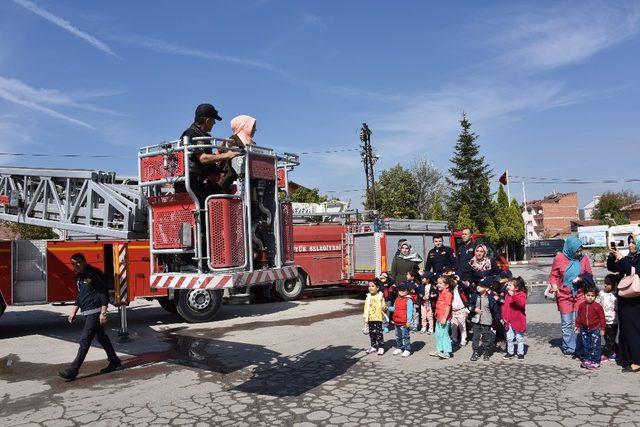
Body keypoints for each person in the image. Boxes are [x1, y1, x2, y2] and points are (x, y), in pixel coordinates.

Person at [58, 253, 121, 381]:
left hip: (95, 311)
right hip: (87, 312)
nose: (75, 266)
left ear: (84, 261)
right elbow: (81, 296)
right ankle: (114, 360)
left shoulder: (94, 273)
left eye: (77, 263)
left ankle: (73, 370)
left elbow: (104, 293)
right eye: (73, 264)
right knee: (101, 337)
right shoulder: (80, 277)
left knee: (85, 340)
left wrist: (103, 312)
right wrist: (73, 311)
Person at [178, 103, 239, 204]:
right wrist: (228, 155)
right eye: (213, 120)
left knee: (223, 198)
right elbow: (203, 158)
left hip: (200, 182)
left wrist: (220, 150)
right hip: (191, 183)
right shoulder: (192, 134)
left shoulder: (203, 136)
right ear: (207, 120)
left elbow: (206, 159)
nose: (214, 123)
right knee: (207, 210)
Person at [549, 236, 594, 357]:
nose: (579, 253)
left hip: (580, 294)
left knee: (580, 321)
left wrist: (581, 278)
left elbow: (589, 274)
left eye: (580, 250)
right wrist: (554, 285)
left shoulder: (583, 258)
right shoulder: (559, 258)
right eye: (577, 250)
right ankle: (569, 347)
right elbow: (553, 275)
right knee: (567, 322)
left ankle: (581, 345)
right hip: (564, 295)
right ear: (570, 248)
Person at [612, 235, 640, 373]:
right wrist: (613, 256)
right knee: (625, 329)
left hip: (635, 301)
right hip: (625, 298)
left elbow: (633, 272)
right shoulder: (631, 257)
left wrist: (622, 259)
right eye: (629, 242)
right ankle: (626, 356)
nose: (630, 245)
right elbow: (613, 268)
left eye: (633, 242)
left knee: (634, 330)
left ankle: (637, 361)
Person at [220, 115, 257, 193]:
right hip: (234, 182)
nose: (255, 130)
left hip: (250, 182)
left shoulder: (252, 143)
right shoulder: (232, 140)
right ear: (244, 126)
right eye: (253, 126)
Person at [468, 277, 501, 361]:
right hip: (476, 320)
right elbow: (468, 303)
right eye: (478, 285)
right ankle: (475, 352)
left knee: (486, 337)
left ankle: (486, 352)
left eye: (481, 286)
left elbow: (495, 310)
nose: (478, 287)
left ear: (486, 288)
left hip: (487, 320)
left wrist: (498, 320)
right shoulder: (475, 295)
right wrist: (473, 309)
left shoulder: (491, 298)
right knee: (475, 337)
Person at [574, 284, 606, 370]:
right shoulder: (581, 306)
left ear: (596, 296)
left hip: (594, 329)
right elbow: (579, 316)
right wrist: (576, 325)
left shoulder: (598, 306)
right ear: (584, 295)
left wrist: (602, 328)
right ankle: (587, 359)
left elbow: (602, 318)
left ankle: (596, 361)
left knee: (596, 346)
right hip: (584, 329)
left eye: (592, 296)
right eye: (588, 295)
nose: (590, 297)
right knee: (586, 345)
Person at [502, 277, 528, 360]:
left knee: (519, 337)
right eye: (508, 284)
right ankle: (510, 352)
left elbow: (521, 304)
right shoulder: (507, 295)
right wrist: (504, 317)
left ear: (516, 288)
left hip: (518, 320)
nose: (508, 286)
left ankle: (520, 353)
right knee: (509, 338)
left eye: (510, 285)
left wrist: (513, 295)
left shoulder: (521, 294)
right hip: (508, 320)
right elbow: (505, 307)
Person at [431, 276, 454, 359]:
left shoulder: (448, 293)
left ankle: (447, 352)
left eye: (440, 283)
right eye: (438, 283)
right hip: (438, 317)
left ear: (446, 285)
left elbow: (448, 306)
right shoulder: (440, 292)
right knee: (438, 334)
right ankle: (439, 350)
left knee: (445, 335)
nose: (438, 285)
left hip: (444, 318)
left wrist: (444, 318)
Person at [389, 282, 414, 357]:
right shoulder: (397, 299)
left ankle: (407, 349)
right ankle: (399, 347)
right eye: (400, 290)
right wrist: (388, 308)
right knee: (398, 336)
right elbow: (395, 309)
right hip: (397, 321)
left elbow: (410, 312)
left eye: (404, 290)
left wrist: (409, 321)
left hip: (404, 323)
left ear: (407, 290)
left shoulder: (409, 300)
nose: (401, 291)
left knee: (405, 336)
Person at [363, 279, 387, 356]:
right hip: (370, 318)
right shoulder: (368, 297)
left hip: (378, 319)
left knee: (378, 333)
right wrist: (365, 317)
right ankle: (373, 346)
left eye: (372, 286)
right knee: (372, 334)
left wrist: (384, 307)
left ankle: (381, 347)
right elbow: (366, 307)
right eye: (369, 286)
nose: (370, 288)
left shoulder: (380, 296)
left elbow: (383, 306)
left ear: (378, 288)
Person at [599, 274, 619, 362]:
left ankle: (606, 354)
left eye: (608, 284)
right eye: (605, 283)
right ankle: (616, 351)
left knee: (611, 338)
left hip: (614, 321)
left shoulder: (616, 295)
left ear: (614, 285)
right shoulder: (602, 293)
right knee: (607, 337)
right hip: (604, 320)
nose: (606, 285)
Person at [450, 275, 469, 347]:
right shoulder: (450, 289)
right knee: (453, 327)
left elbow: (466, 288)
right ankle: (454, 339)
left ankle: (463, 340)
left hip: (461, 309)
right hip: (453, 310)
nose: (453, 281)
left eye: (454, 279)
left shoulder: (460, 287)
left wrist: (459, 281)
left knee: (462, 327)